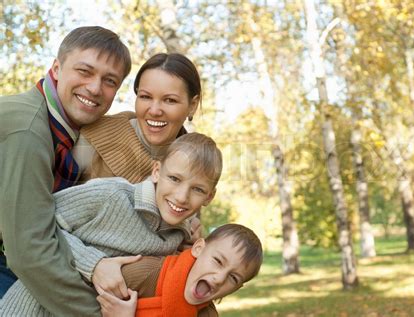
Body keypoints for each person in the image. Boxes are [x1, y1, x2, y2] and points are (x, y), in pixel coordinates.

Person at [0, 132, 223, 316]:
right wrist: (94, 264)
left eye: (198, 189)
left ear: (209, 197)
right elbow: (34, 226)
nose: (182, 196)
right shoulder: (110, 194)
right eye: (174, 179)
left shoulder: (179, 239)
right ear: (156, 171)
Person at [0, 26, 131, 316]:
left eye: (110, 81)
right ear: (57, 68)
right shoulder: (29, 132)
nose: (95, 88)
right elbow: (29, 252)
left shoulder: (68, 132)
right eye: (85, 71)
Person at [74, 52, 201, 183]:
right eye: (145, 97)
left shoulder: (196, 163)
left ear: (192, 106)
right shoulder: (96, 135)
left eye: (169, 100)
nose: (154, 111)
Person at [99, 223, 263, 317]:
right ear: (198, 248)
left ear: (235, 289)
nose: (220, 278)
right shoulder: (146, 272)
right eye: (218, 261)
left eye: (233, 278)